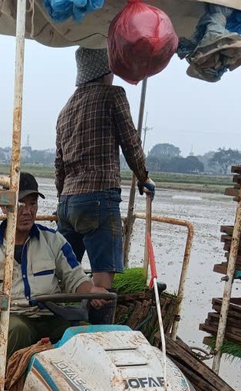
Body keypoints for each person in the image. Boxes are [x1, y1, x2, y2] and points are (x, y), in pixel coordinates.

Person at [0, 171, 110, 367]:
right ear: (4, 206)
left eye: (32, 204)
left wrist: (92, 291)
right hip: (12, 318)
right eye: (21, 204)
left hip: (50, 315)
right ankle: (10, 389)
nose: (27, 211)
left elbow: (75, 277)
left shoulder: (54, 241)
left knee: (83, 334)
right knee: (18, 330)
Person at [55, 47, 156, 291]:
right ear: (106, 71)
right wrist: (143, 177)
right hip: (99, 197)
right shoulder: (112, 95)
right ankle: (98, 327)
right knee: (102, 279)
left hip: (68, 203)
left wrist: (63, 198)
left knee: (65, 274)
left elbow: (59, 164)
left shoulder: (65, 110)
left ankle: (66, 324)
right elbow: (130, 142)